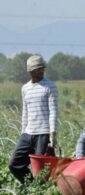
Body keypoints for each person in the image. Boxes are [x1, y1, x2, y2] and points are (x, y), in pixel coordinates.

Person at [9, 55, 58, 184]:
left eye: (42, 68)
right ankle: (31, 187)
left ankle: (41, 193)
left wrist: (52, 136)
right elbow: (25, 112)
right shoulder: (25, 88)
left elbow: (53, 111)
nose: (41, 71)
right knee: (14, 164)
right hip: (28, 133)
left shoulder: (50, 86)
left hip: (43, 134)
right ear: (30, 71)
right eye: (37, 69)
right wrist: (22, 133)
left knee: (41, 171)